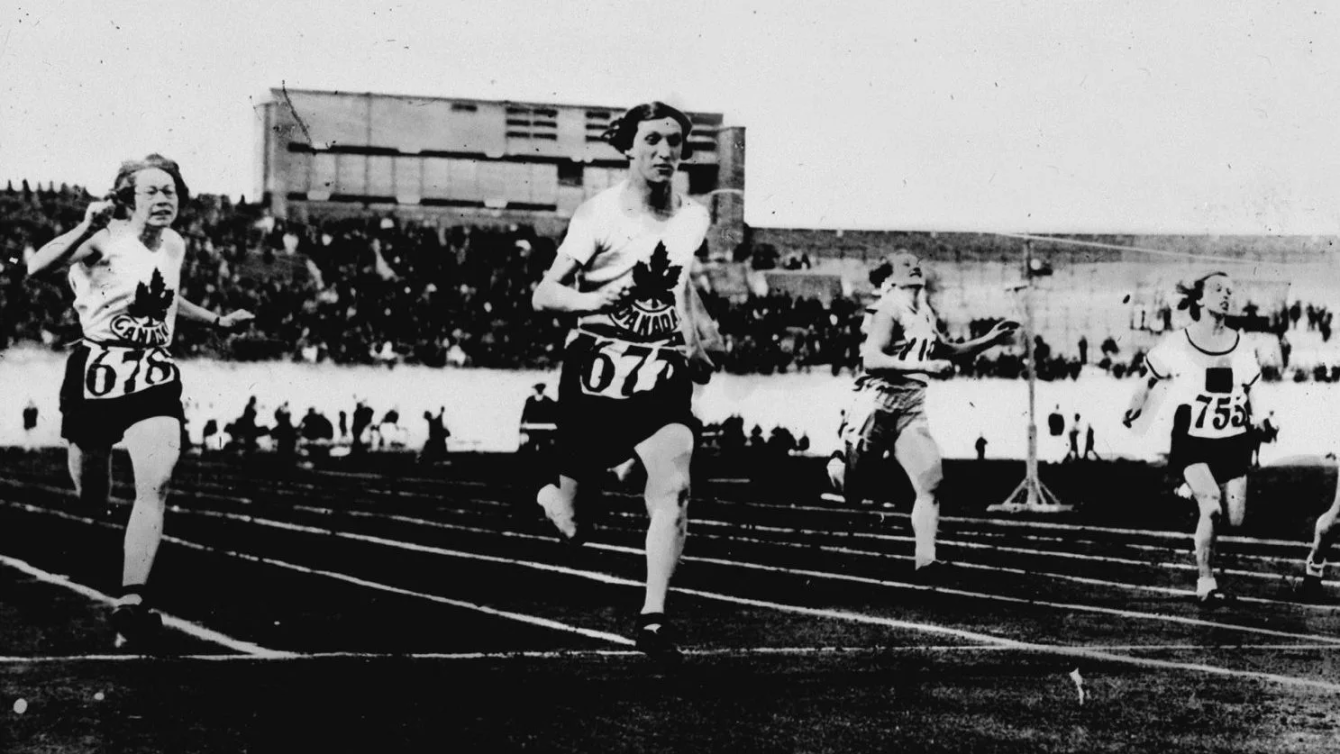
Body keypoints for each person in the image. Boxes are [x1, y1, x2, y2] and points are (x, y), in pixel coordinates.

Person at [25, 154, 253, 647]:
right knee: (92, 496)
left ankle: (132, 600)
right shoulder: (104, 237)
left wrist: (216, 321)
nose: (163, 199)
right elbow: (36, 268)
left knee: (158, 480)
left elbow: (166, 298)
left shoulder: (175, 244)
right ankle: (93, 498)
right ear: (128, 198)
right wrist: (84, 223)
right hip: (97, 371)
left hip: (153, 373)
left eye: (170, 191)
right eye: (151, 191)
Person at [530, 101, 720, 660]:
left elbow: (679, 284)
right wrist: (592, 299)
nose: (665, 152)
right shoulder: (598, 214)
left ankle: (653, 618)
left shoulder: (695, 217)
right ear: (629, 147)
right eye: (653, 141)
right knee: (575, 527)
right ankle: (548, 494)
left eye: (674, 142)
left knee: (676, 485)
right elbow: (545, 294)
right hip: (595, 372)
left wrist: (693, 341)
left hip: (660, 370)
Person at [833, 250, 1018, 576]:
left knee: (931, 481)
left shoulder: (925, 311)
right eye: (905, 263)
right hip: (877, 405)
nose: (914, 266)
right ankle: (837, 468)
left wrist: (989, 340)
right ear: (890, 275)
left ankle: (926, 560)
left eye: (916, 262)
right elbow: (872, 360)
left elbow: (943, 349)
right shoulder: (888, 307)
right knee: (854, 494)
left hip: (911, 408)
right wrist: (924, 366)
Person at [1123, 272, 1259, 606]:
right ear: (1199, 299)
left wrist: (1264, 418)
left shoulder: (1242, 344)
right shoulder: (1177, 343)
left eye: (1230, 290)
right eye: (1217, 290)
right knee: (1211, 506)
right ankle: (1206, 581)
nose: (1225, 295)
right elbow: (1147, 381)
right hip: (1193, 439)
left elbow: (1253, 389)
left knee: (1236, 518)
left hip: (1232, 437)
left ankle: (1190, 493)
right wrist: (1134, 408)